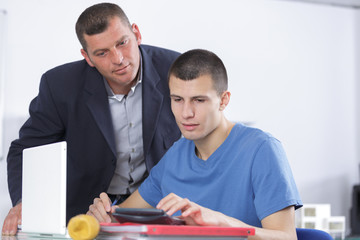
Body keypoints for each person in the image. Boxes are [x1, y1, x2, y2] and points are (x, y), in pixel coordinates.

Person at [2, 3, 181, 236]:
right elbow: (25, 149)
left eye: (122, 43)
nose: (118, 59)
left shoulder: (175, 70)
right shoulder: (59, 85)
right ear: (87, 57)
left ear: (136, 34)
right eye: (102, 53)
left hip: (160, 207)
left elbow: (203, 139)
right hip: (84, 212)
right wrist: (24, 202)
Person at [87, 49, 303, 240]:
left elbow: (285, 237)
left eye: (199, 100)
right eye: (178, 99)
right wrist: (104, 215)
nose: (186, 113)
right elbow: (122, 218)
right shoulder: (175, 155)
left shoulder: (262, 150)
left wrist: (221, 222)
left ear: (224, 100)